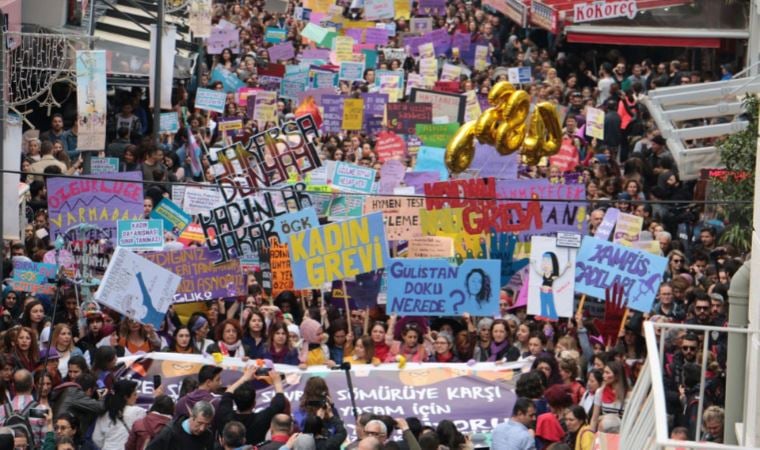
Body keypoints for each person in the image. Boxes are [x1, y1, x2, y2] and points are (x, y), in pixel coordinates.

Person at [216, 365, 287, 445]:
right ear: (254, 404)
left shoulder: (225, 415)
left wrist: (244, 378)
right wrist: (277, 382)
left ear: (234, 401)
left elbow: (227, 394)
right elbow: (279, 404)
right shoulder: (261, 419)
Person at [92, 379, 145, 450]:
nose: (137, 397)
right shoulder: (138, 412)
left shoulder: (105, 413)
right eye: (134, 394)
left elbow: (96, 438)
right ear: (126, 397)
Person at [146, 401, 216, 450]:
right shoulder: (169, 433)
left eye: (207, 424)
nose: (202, 429)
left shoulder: (207, 435)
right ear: (191, 416)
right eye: (199, 423)